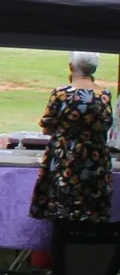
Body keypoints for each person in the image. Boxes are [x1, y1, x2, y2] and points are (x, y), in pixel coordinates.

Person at [30, 52, 114, 226]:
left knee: (62, 214)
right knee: (91, 214)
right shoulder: (105, 95)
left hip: (65, 160)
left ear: (71, 67)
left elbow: (47, 128)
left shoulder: (61, 94)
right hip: (96, 161)